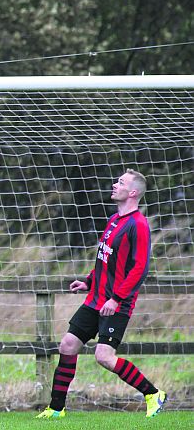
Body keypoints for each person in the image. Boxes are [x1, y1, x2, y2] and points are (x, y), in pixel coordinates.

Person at [36, 169, 167, 419]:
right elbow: (104, 259)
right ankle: (56, 409)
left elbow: (140, 269)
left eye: (120, 183)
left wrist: (116, 299)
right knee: (68, 345)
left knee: (104, 357)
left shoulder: (138, 225)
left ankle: (153, 394)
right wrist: (88, 281)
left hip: (116, 304)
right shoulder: (114, 219)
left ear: (133, 192)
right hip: (96, 299)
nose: (114, 185)